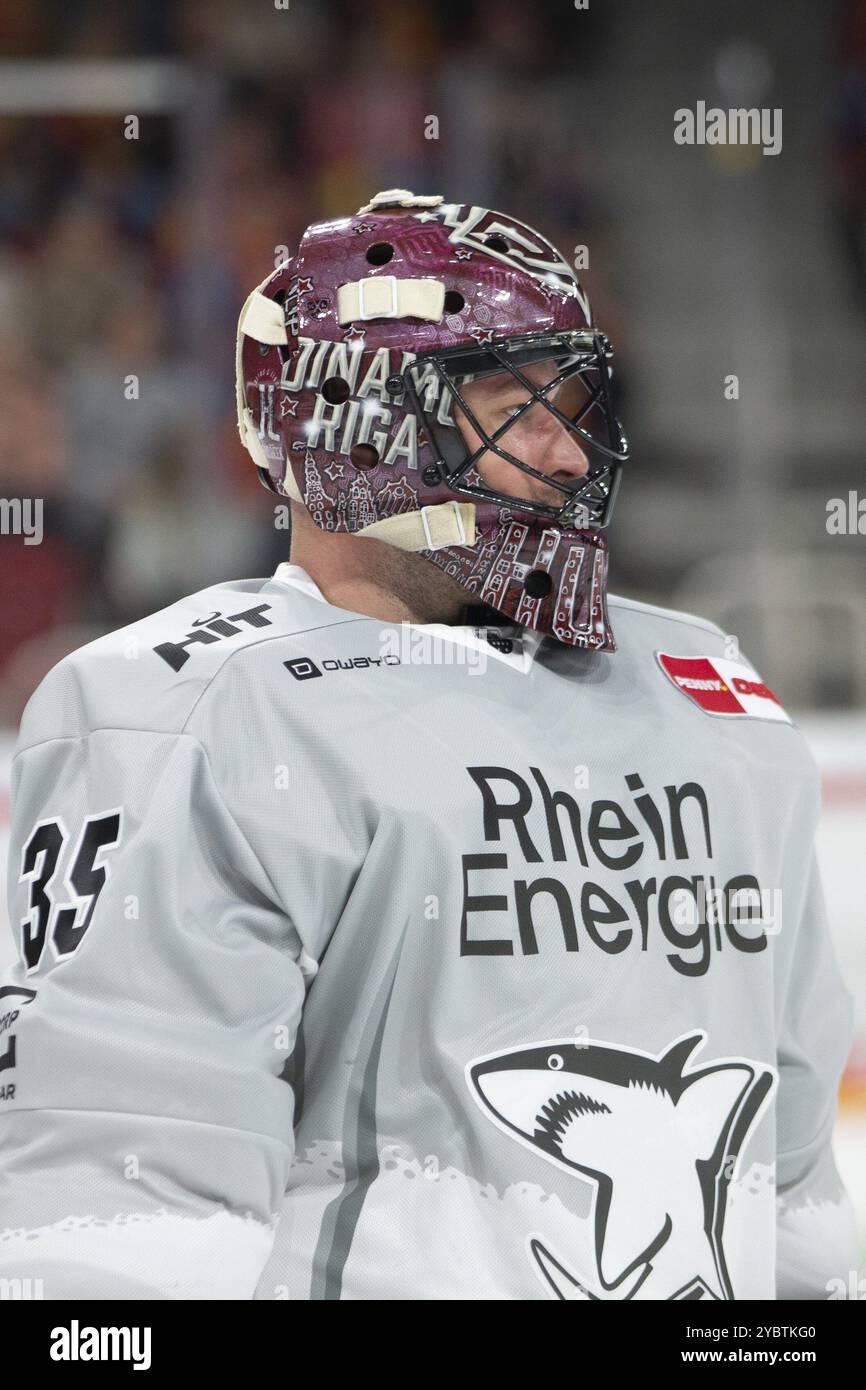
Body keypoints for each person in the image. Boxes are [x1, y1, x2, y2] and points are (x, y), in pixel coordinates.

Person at [0, 190, 857, 1300]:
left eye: (573, 400)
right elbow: (117, 1235)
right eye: (509, 403)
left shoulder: (711, 694)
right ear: (353, 418)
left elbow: (792, 1214)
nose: (562, 448)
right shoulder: (198, 707)